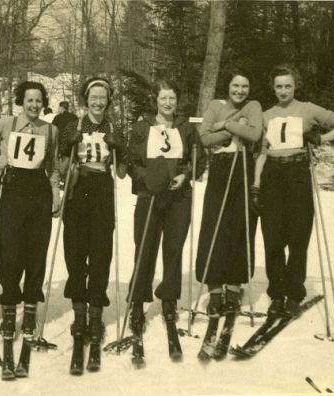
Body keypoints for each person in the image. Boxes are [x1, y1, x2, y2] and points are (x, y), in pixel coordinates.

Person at [253, 64, 334, 317]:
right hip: (272, 174)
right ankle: (276, 293)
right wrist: (256, 184)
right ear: (273, 88)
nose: (283, 91)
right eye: (279, 86)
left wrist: (321, 139)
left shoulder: (308, 109)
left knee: (298, 235)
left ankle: (295, 293)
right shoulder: (266, 115)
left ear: (295, 86)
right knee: (273, 237)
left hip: (297, 172)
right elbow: (262, 153)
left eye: (288, 85)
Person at [0, 80, 60, 379]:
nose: (34, 105)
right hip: (12, 191)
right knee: (9, 252)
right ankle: (9, 310)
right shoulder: (7, 123)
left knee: (36, 253)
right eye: (29, 100)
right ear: (21, 101)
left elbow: (52, 167)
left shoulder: (51, 130)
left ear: (43, 103)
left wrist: (56, 195)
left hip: (38, 194)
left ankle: (29, 313)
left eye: (38, 101)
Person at [127, 79, 206, 360]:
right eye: (163, 98)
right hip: (149, 196)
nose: (168, 103)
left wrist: (185, 175)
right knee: (145, 248)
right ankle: (138, 301)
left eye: (172, 98)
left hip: (178, 198)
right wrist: (145, 177)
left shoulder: (186, 128)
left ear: (177, 100)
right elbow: (130, 162)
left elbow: (200, 160)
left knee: (173, 249)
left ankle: (169, 300)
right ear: (156, 100)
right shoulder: (142, 127)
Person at [59, 77, 126, 372]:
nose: (98, 102)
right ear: (86, 100)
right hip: (78, 187)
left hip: (101, 188)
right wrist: (66, 144)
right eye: (94, 97)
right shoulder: (74, 126)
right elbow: (60, 163)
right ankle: (79, 313)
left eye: (103, 98)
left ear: (108, 101)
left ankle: (96, 316)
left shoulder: (112, 128)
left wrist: (120, 148)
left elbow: (122, 172)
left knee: (100, 253)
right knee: (75, 251)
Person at [195, 70, 262, 318]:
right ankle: (214, 289)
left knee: (241, 225)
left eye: (244, 86)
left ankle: (234, 288)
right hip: (221, 168)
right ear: (229, 86)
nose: (240, 91)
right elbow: (204, 137)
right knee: (215, 225)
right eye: (235, 85)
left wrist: (224, 125)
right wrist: (231, 129)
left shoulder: (254, 105)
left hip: (243, 165)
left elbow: (254, 134)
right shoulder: (215, 105)